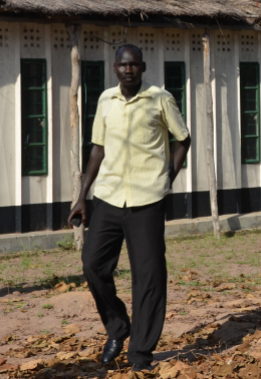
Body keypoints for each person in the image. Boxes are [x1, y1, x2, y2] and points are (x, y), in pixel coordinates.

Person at [68, 45, 191, 372]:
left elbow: (183, 139)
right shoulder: (106, 100)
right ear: (115, 67)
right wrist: (82, 195)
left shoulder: (160, 99)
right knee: (93, 264)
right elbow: (98, 149)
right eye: (123, 65)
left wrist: (168, 177)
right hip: (108, 196)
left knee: (148, 277)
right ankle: (118, 327)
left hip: (148, 199)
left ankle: (140, 354)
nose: (128, 70)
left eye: (134, 65)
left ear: (143, 67)